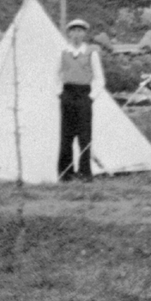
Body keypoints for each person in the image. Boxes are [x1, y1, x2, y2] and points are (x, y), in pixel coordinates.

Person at [58, 18, 104, 182]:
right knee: (66, 136)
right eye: (73, 31)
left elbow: (99, 78)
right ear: (69, 33)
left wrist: (91, 97)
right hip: (68, 93)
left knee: (85, 136)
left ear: (84, 33)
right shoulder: (63, 51)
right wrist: (60, 93)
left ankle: (85, 172)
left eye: (80, 31)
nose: (76, 34)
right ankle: (66, 173)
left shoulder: (91, 52)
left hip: (84, 94)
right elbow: (56, 74)